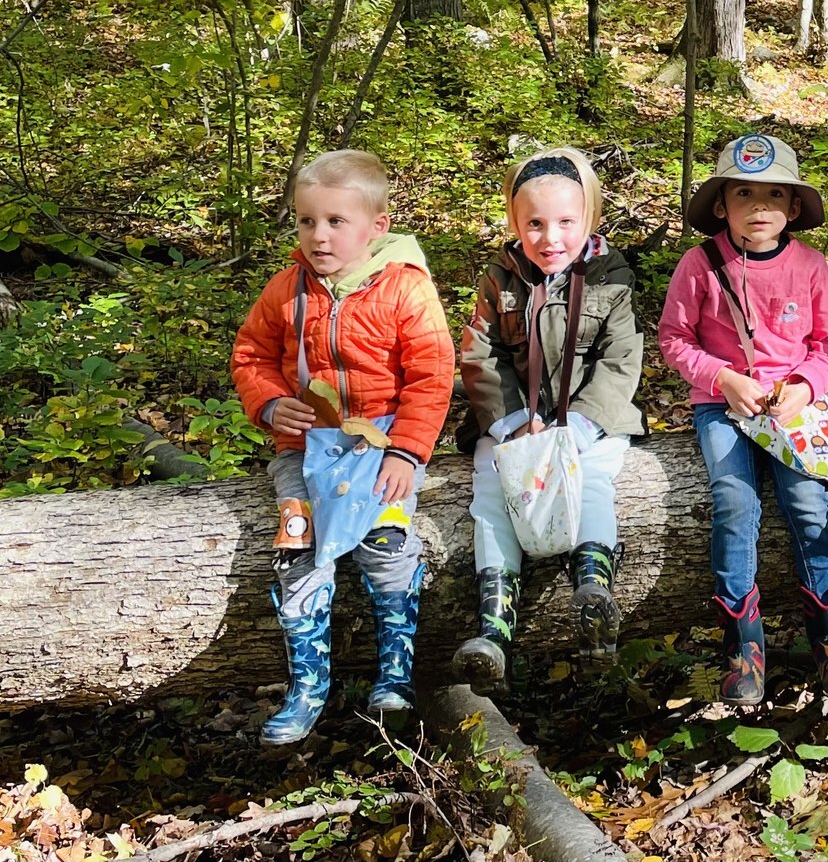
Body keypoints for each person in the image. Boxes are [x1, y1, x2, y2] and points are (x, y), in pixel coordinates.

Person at [230, 149, 454, 744]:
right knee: (297, 549)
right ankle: (307, 684)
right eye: (307, 221)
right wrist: (272, 403)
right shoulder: (287, 290)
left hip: (380, 448)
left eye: (335, 221)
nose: (319, 236)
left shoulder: (405, 290)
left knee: (386, 539)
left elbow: (432, 374)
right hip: (304, 449)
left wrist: (407, 452)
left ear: (376, 226)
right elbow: (250, 355)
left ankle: (396, 670)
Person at [658, 134, 828, 703]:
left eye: (774, 195)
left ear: (794, 207)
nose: (759, 208)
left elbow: (825, 342)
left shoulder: (811, 265)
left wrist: (804, 385)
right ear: (721, 204)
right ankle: (742, 644)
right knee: (734, 499)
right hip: (722, 405)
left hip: (794, 410)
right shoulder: (700, 266)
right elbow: (674, 339)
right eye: (744, 194)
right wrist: (722, 378)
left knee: (807, 500)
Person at [454, 147, 645, 690]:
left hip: (589, 419)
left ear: (591, 220)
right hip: (519, 420)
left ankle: (592, 589)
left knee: (594, 481)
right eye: (533, 223)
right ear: (515, 223)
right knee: (491, 491)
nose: (550, 237)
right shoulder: (501, 278)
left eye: (566, 222)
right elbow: (481, 354)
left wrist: (580, 424)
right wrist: (512, 421)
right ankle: (494, 627)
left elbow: (621, 358)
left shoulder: (612, 276)